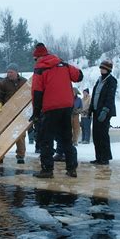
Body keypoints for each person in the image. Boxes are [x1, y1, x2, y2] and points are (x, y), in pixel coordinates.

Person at [30, 43, 83, 178]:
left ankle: (47, 170)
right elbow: (79, 76)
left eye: (35, 59)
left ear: (39, 57)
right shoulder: (63, 64)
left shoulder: (40, 69)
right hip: (67, 106)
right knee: (66, 139)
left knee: (46, 139)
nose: (35, 62)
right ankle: (72, 168)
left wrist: (36, 113)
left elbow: (37, 92)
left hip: (50, 108)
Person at [0, 63, 28, 164]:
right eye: (8, 72)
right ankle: (0, 155)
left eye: (11, 72)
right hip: (6, 112)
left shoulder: (24, 82)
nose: (9, 74)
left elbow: (29, 95)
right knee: (3, 134)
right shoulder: (3, 83)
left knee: (20, 135)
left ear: (16, 72)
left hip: (20, 112)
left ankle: (20, 156)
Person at [88, 59, 117, 165]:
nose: (101, 70)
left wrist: (105, 110)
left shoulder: (111, 81)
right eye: (101, 68)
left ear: (108, 69)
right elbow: (95, 95)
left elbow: (110, 97)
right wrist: (91, 108)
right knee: (96, 135)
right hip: (96, 111)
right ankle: (98, 157)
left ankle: (105, 157)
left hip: (105, 112)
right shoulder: (99, 80)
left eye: (103, 68)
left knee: (103, 135)